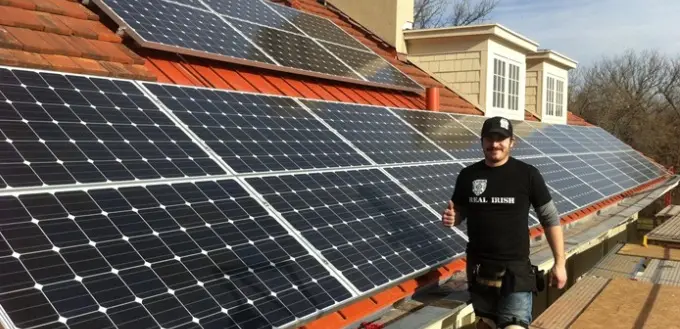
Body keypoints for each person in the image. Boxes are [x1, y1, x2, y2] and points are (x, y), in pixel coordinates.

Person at [442, 116, 566, 329]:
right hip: (479, 272)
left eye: (501, 138)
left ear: (512, 142)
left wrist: (560, 263)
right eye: (489, 138)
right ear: (481, 141)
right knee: (486, 325)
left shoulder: (527, 175)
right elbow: (461, 211)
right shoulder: (468, 175)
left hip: (515, 273)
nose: (495, 144)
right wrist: (454, 218)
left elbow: (550, 218)